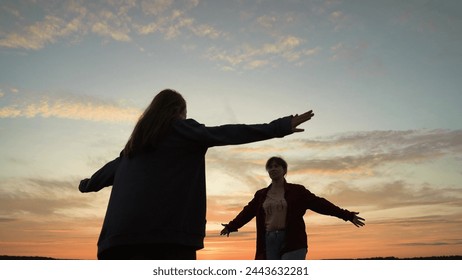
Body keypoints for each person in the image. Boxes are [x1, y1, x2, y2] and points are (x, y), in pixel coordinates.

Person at [78, 89, 315, 260]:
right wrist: (280, 127)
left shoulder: (131, 150)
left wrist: (85, 184)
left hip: (115, 244)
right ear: (177, 112)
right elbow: (229, 133)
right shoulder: (181, 130)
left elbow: (97, 179)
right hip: (166, 242)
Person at [221, 156, 365, 260]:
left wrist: (347, 215)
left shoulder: (298, 191)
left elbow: (321, 204)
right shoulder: (261, 194)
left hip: (292, 239)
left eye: (277, 166)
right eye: (270, 167)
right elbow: (247, 212)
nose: (273, 169)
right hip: (269, 240)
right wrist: (231, 226)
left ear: (284, 170)